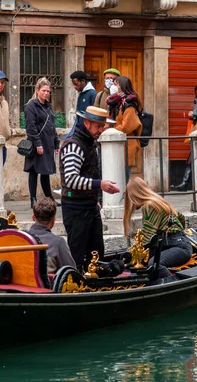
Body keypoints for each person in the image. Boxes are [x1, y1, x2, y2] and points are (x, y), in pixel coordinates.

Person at [59, 106, 120, 270]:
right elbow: (71, 179)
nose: (100, 130)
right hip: (76, 209)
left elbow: (93, 171)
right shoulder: (74, 146)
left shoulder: (90, 143)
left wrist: (97, 198)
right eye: (97, 127)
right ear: (86, 123)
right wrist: (99, 185)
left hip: (89, 206)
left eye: (102, 127)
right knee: (78, 256)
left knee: (96, 253)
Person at [124, 177, 192, 269]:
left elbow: (147, 236)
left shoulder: (149, 206)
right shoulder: (158, 201)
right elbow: (181, 217)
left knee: (154, 264)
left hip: (178, 247)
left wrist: (131, 256)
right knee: (150, 261)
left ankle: (169, 282)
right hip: (180, 243)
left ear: (135, 195)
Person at [23, 77, 60, 206]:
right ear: (37, 90)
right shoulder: (31, 107)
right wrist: (38, 143)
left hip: (48, 143)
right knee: (33, 171)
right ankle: (33, 199)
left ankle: (49, 198)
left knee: (46, 171)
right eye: (43, 90)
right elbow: (30, 128)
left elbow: (52, 125)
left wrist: (56, 143)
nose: (46, 93)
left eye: (48, 91)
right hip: (36, 144)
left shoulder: (48, 106)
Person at [28, 197, 76, 275]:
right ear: (53, 220)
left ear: (33, 217)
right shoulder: (58, 242)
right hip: (46, 286)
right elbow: (71, 272)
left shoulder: (21, 239)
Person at [112, 76, 142, 179]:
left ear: (123, 87)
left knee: (122, 178)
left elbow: (126, 127)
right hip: (120, 143)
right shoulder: (119, 103)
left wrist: (111, 130)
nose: (114, 87)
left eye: (116, 85)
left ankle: (124, 195)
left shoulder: (129, 105)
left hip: (127, 145)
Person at [67, 71, 97, 137]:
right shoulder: (81, 94)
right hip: (80, 130)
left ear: (83, 81)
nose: (75, 87)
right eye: (73, 85)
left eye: (76, 84)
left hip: (87, 132)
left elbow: (93, 115)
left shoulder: (92, 94)